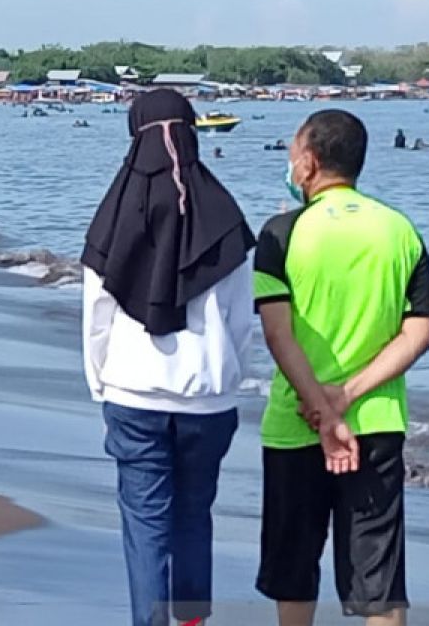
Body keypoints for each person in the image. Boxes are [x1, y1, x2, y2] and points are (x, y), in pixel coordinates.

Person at [253, 110, 429, 626]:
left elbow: (277, 333)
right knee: (379, 582)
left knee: (294, 574)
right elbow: (418, 334)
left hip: (295, 425)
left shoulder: (282, 233)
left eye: (293, 152)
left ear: (308, 162)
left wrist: (321, 407)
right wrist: (346, 398)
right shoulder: (400, 230)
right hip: (375, 423)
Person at [82, 90, 256, 626]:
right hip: (207, 400)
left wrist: (103, 385)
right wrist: (225, 378)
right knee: (192, 520)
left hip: (133, 396)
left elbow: (97, 317)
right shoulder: (225, 218)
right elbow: (239, 321)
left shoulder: (113, 215)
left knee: (146, 526)